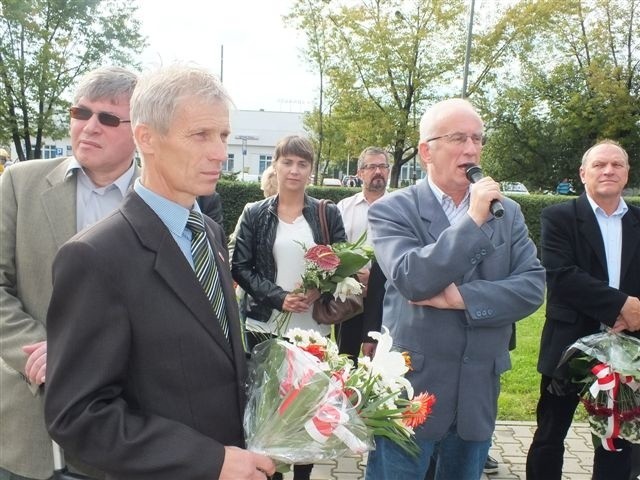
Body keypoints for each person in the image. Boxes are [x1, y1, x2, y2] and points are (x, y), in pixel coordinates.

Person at [43, 64, 276, 480]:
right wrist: (210, 461)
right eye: (200, 135)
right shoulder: (94, 256)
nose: (220, 152)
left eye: (222, 135)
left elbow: (212, 350)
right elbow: (78, 416)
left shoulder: (210, 232)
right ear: (146, 137)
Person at [365, 98, 545, 480]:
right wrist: (474, 220)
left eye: (478, 139)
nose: (472, 149)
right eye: (459, 138)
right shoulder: (393, 209)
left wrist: (462, 299)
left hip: (477, 388)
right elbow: (413, 277)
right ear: (427, 150)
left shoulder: (507, 212)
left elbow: (532, 286)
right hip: (413, 391)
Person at [0, 66, 139, 480]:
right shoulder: (19, 184)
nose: (90, 127)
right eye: (81, 113)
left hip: (127, 425)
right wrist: (42, 351)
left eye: (109, 118)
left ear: (141, 130)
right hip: (30, 427)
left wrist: (86, 358)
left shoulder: (165, 200)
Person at [231, 135, 346, 480]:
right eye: (287, 162)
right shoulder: (254, 213)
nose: (294, 170)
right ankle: (270, 474)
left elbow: (343, 263)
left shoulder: (327, 213)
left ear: (311, 169)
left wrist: (316, 288)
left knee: (307, 411)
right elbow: (240, 266)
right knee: (269, 411)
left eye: (302, 163)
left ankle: (302, 476)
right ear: (276, 165)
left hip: (314, 328)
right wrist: (279, 297)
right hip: (266, 327)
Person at [526, 139, 640, 480]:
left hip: (626, 347)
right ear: (583, 173)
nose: (608, 170)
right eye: (599, 165)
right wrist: (623, 305)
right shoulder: (558, 217)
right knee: (550, 433)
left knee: (617, 438)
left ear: (627, 172)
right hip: (569, 345)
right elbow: (561, 276)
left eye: (616, 165)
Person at [335, 146, 389, 361]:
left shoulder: (402, 207)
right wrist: (353, 277)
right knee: (345, 359)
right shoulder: (343, 208)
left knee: (380, 363)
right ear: (359, 173)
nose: (378, 171)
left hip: (386, 297)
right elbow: (334, 250)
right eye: (372, 166)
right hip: (350, 296)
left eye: (383, 166)